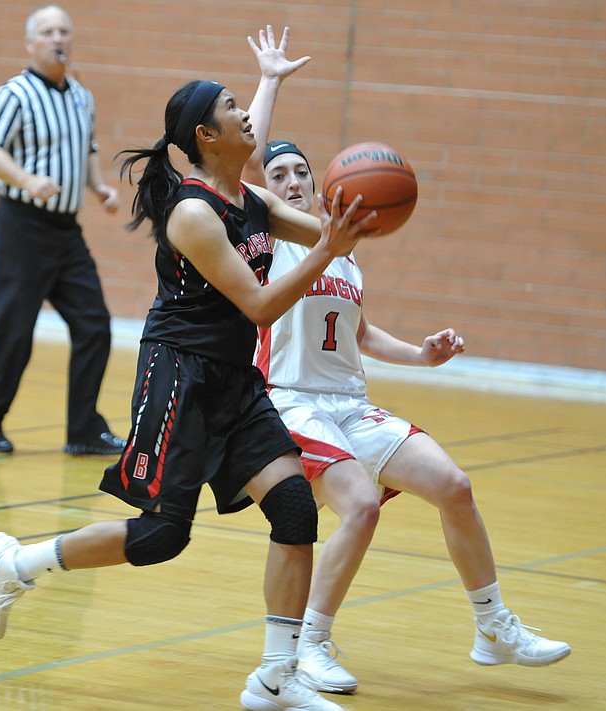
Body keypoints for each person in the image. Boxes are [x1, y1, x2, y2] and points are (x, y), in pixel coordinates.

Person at [0, 27, 376, 711]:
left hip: (233, 382)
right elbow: (258, 304)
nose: (244, 111)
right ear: (205, 135)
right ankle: (12, 565)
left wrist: (362, 214)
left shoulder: (249, 199)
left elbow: (321, 226)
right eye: (230, 105)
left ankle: (274, 678)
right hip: (178, 377)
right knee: (161, 536)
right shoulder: (192, 213)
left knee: (293, 505)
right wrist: (326, 247)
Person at [242, 43, 571, 695]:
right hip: (290, 402)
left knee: (455, 485)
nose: (289, 182)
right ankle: (308, 645)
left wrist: (421, 354)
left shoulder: (342, 252)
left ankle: (492, 626)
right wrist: (268, 80)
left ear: (319, 180)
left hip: (348, 402)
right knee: (360, 507)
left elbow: (357, 333)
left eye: (298, 173)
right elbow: (247, 154)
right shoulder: (268, 235)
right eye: (278, 176)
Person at [0, 4, 125, 456]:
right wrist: (26, 179)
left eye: (64, 31)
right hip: (21, 227)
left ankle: (83, 430)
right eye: (48, 32)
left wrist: (98, 188)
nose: (58, 39)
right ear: (31, 43)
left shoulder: (80, 95)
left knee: (95, 325)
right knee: (15, 331)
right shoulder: (14, 93)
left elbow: (87, 147)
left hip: (66, 232)